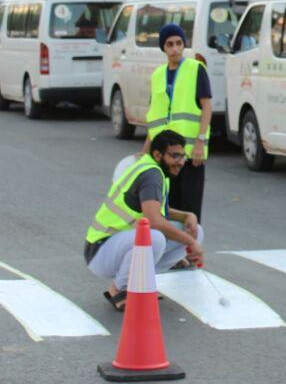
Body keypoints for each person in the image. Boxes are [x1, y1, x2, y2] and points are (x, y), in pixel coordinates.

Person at [85, 130, 203, 310]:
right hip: (101, 249)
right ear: (157, 154)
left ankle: (142, 283)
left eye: (182, 156)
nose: (180, 162)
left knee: (195, 230)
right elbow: (154, 220)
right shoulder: (151, 175)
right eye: (174, 156)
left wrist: (187, 216)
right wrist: (190, 242)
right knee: (154, 237)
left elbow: (158, 209)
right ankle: (119, 289)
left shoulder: (158, 171)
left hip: (119, 245)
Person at [142, 23, 212, 220]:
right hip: (162, 157)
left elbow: (206, 106)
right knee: (166, 208)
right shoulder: (157, 75)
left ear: (184, 45)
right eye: (170, 44)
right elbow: (154, 116)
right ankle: (171, 249)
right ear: (163, 48)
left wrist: (200, 142)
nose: (175, 49)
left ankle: (191, 248)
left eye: (179, 43)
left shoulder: (196, 68)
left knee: (190, 209)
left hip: (189, 155)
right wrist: (145, 150)